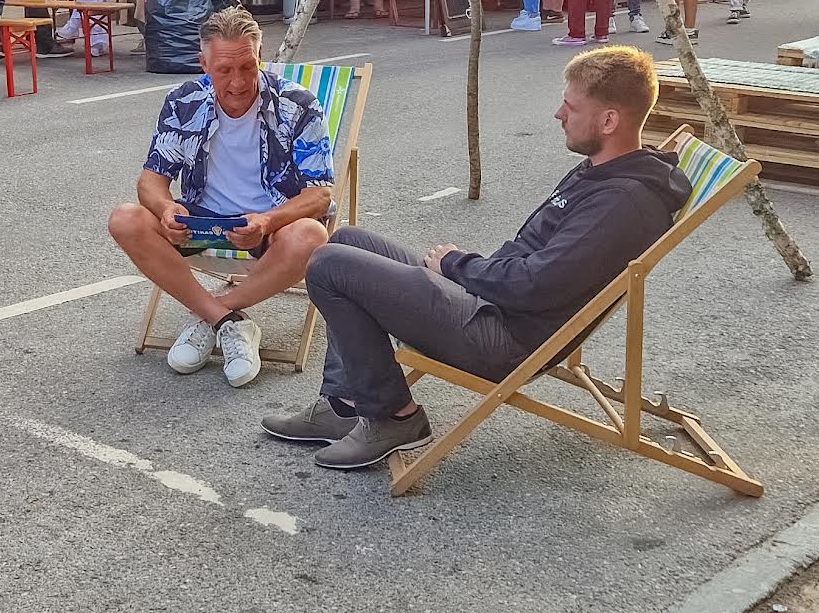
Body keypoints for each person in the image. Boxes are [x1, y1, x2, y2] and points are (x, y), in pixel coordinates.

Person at [262, 46, 690, 469]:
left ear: (609, 120)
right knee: (350, 241)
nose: (559, 115)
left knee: (328, 265)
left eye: (570, 106)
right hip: (490, 305)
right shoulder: (607, 170)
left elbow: (535, 283)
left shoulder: (621, 201)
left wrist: (457, 266)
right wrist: (467, 273)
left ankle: (393, 417)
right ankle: (343, 404)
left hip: (503, 337)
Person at [108, 7, 333, 390]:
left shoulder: (297, 102)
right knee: (124, 219)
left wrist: (269, 221)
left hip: (270, 224)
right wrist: (165, 210)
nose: (238, 82)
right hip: (202, 222)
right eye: (224, 70)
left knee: (311, 236)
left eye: (247, 67)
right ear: (203, 64)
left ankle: (212, 316)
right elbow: (151, 180)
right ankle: (227, 322)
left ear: (260, 56)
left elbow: (321, 193)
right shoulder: (184, 101)